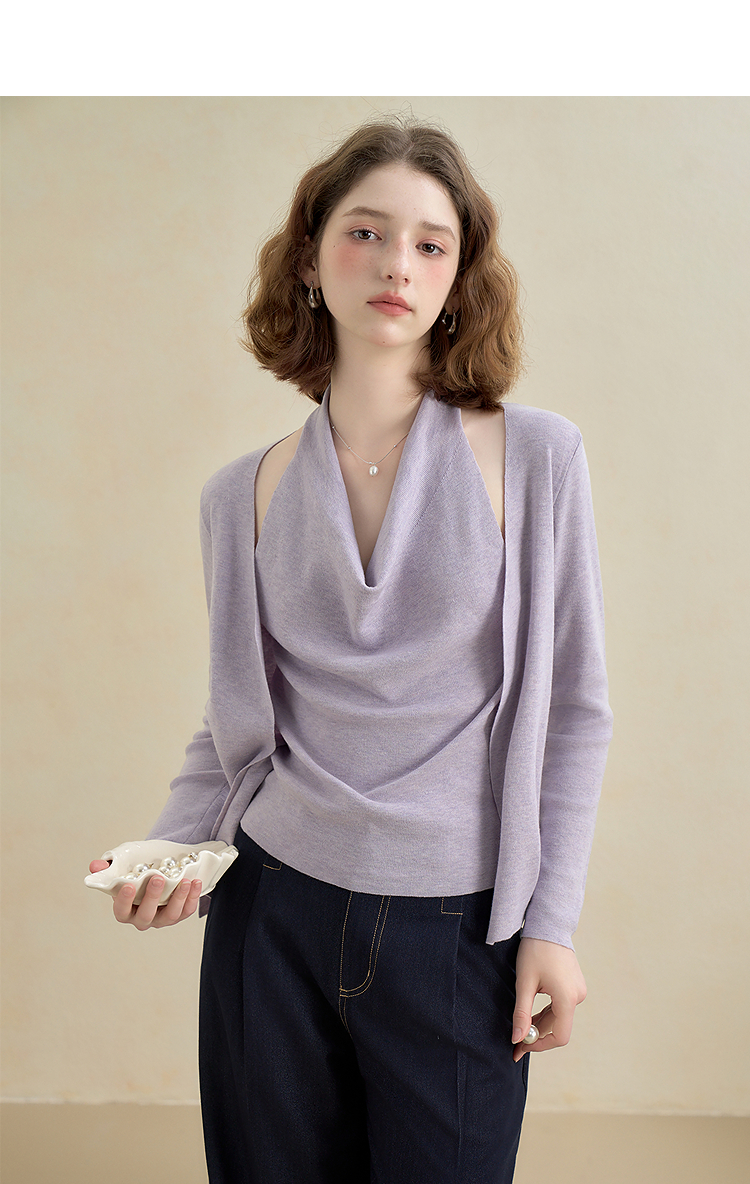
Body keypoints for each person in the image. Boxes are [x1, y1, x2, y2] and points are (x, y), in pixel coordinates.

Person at [89, 116, 612, 1183]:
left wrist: (550, 925)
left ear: (458, 278)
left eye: (429, 243)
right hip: (269, 911)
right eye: (365, 232)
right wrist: (173, 849)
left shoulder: (538, 458)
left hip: (459, 929)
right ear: (310, 258)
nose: (395, 264)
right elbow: (236, 724)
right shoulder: (238, 494)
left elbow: (572, 713)